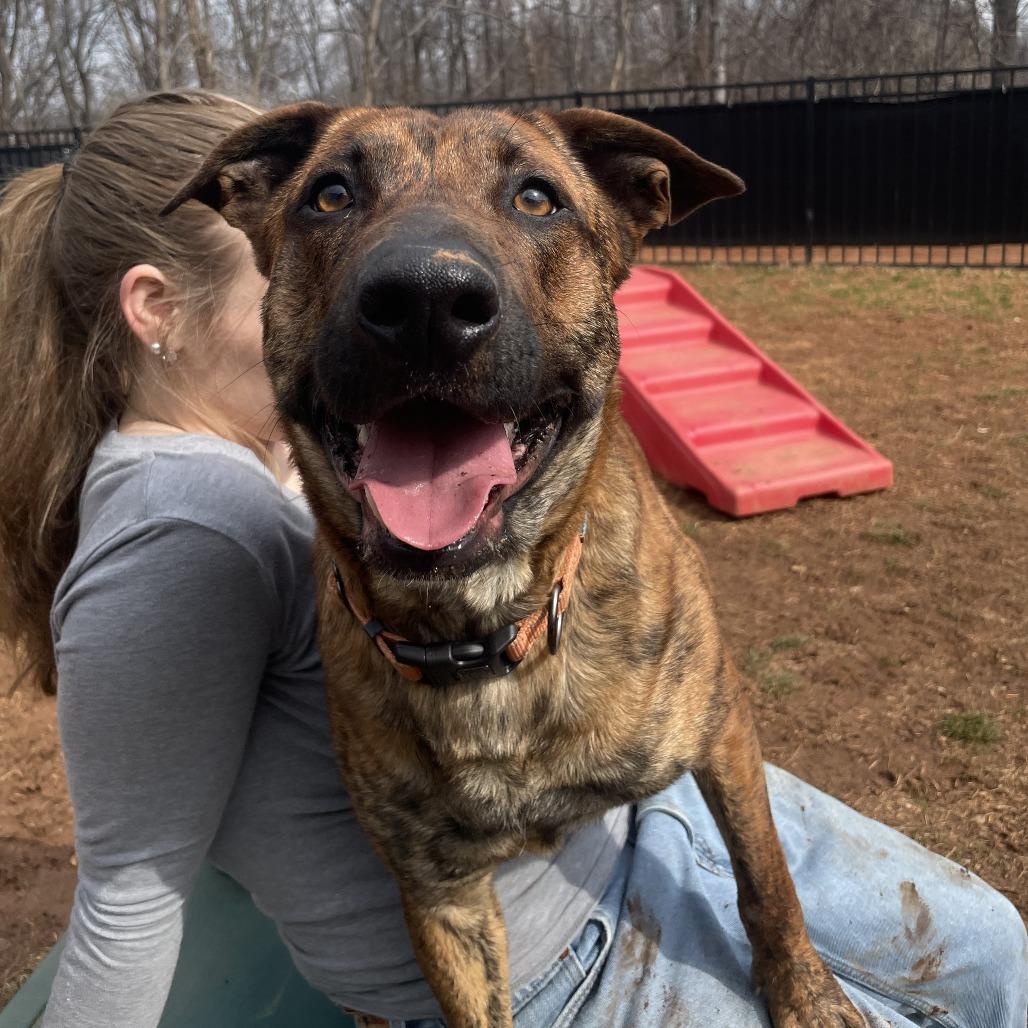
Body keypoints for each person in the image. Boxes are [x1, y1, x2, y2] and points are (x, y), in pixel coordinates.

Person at [0, 90, 1023, 1028]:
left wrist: (784, 952)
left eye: (532, 197)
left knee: (996, 952)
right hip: (571, 961)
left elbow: (712, 714)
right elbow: (129, 891)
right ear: (157, 308)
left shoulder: (247, 459)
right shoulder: (183, 517)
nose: (410, 271)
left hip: (632, 823)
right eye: (331, 205)